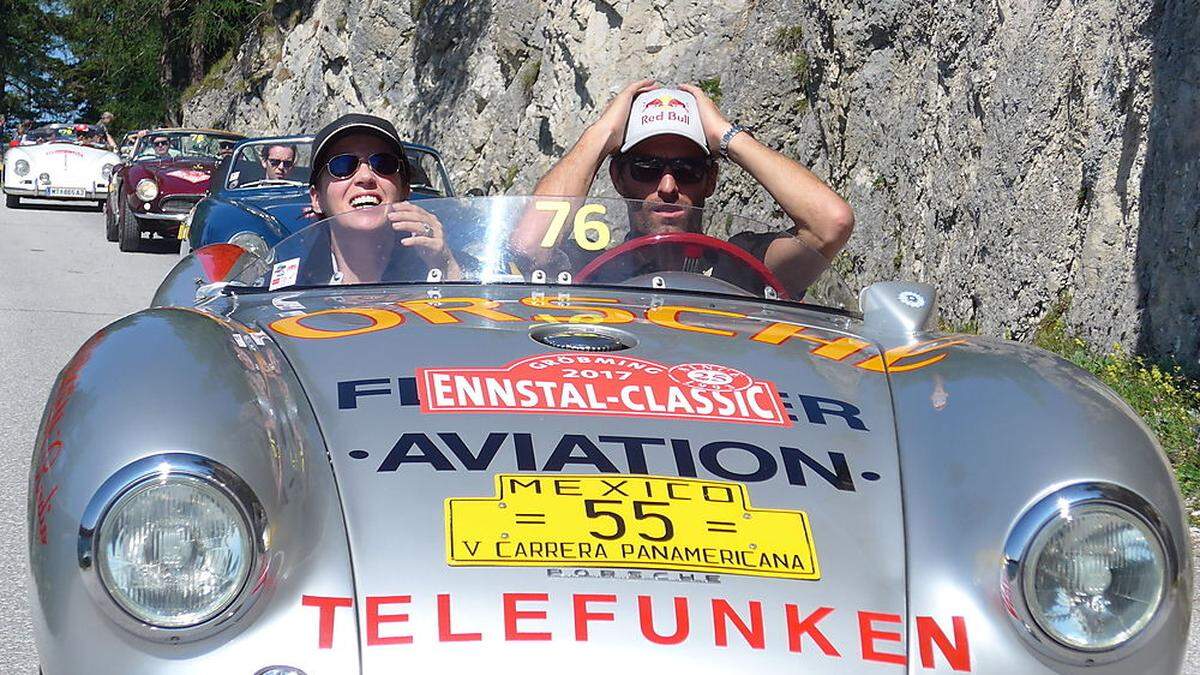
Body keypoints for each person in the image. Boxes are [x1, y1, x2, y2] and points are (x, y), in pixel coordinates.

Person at [532, 80, 854, 295]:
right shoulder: (592, 269)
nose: (668, 186)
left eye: (688, 170)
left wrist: (727, 136)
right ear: (618, 177)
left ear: (710, 179)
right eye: (646, 168)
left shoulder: (741, 269)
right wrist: (600, 134)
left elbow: (830, 224)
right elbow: (530, 245)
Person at [304, 113, 465, 284]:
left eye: (383, 163)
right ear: (317, 199)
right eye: (342, 165)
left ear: (405, 190)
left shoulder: (460, 267)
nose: (365, 176)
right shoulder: (289, 281)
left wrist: (446, 267)